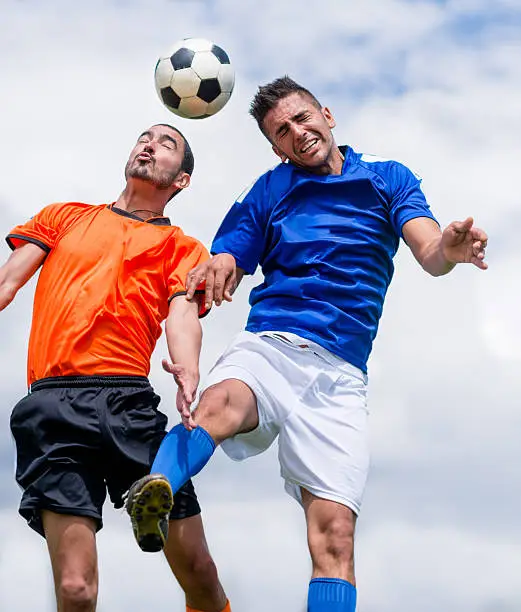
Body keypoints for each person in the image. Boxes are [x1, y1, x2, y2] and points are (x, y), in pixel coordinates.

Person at [126, 77, 488, 611]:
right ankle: (157, 488)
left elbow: (429, 249)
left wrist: (451, 249)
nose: (298, 133)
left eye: (302, 119)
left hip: (340, 377)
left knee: (335, 538)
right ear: (276, 148)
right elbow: (230, 256)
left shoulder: (387, 179)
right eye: (282, 131)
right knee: (223, 403)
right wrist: (220, 266)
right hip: (274, 343)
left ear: (327, 115)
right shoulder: (271, 190)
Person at [1, 123, 231, 612]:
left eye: (166, 143)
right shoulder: (64, 217)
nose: (148, 144)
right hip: (52, 407)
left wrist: (188, 370)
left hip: (128, 402)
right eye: (143, 137)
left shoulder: (183, 250)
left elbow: (183, 314)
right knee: (75, 589)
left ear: (182, 180)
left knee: (201, 576)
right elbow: (7, 282)